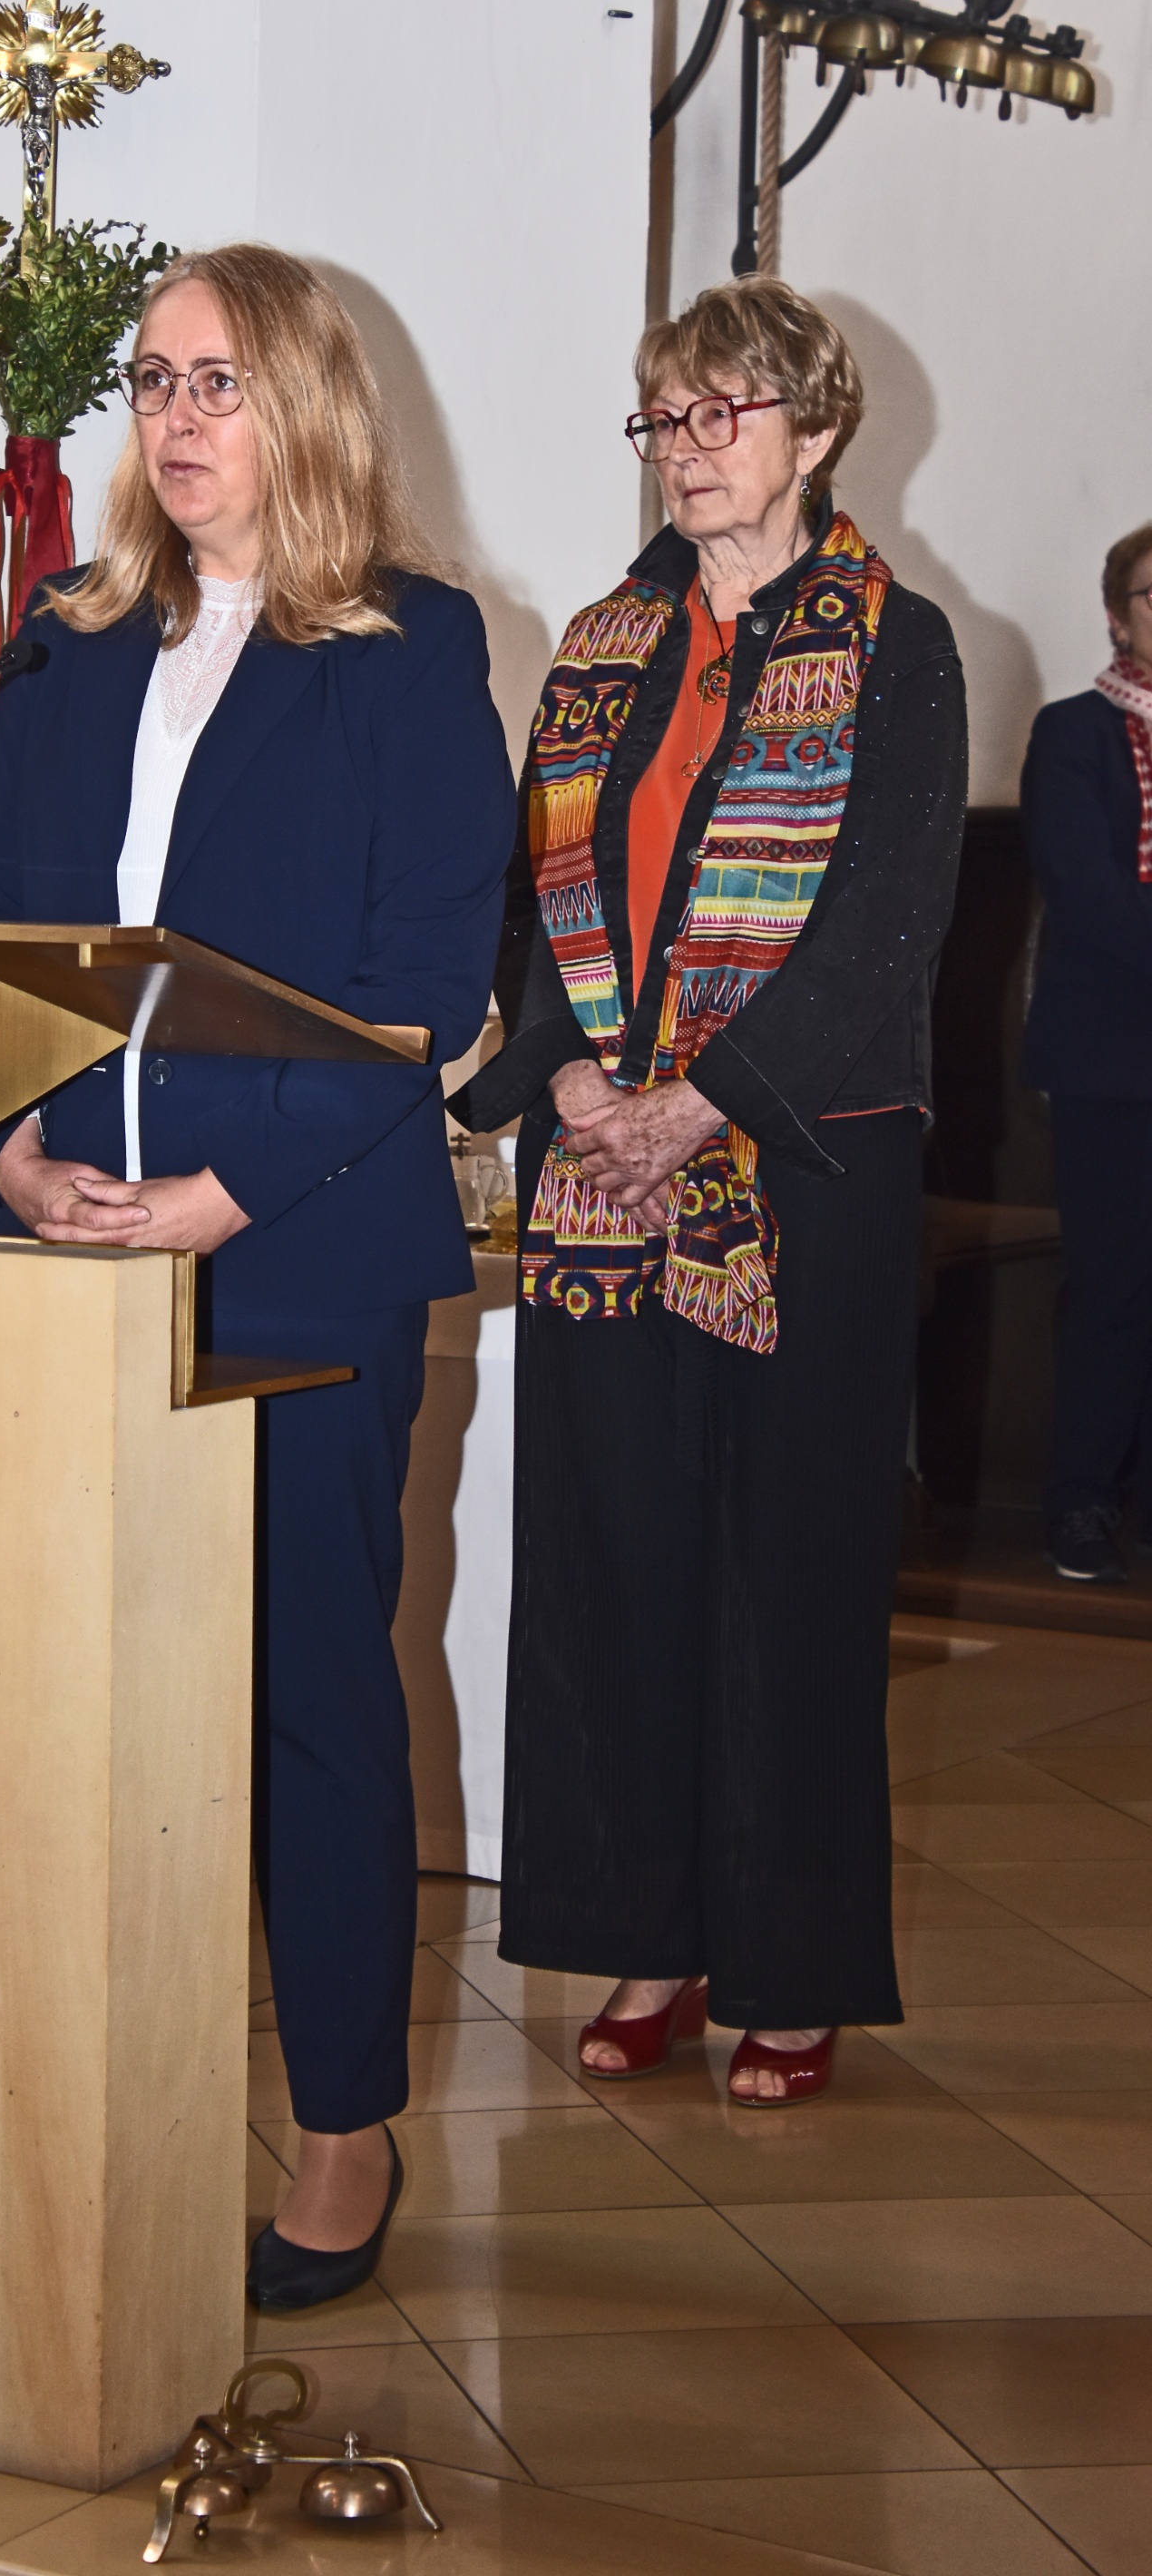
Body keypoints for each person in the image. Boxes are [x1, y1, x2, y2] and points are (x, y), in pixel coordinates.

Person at [0, 244, 514, 2296]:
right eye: (153, 381)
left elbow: (415, 995)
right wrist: (0, 1146)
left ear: (308, 408)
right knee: (77, 1697)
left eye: (221, 381)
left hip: (293, 1265)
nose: (176, 420)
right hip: (67, 1249)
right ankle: (89, 2088)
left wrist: (217, 1194)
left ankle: (339, 2126)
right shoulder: (74, 639)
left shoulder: (409, 647)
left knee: (303, 1704)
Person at [454, 277, 966, 2104]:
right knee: (614, 1559)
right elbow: (529, 898)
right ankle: (648, 1935)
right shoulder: (604, 640)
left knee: (790, 1570)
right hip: (598, 1166)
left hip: (802, 1173)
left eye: (720, 414)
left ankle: (790, 1963)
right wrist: (564, 1076)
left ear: (814, 431)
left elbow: (883, 929)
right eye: (663, 416)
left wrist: (708, 1100)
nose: (686, 449)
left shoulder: (895, 644)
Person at [1020, 522, 1152, 1583]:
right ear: (1118, 615)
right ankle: (1075, 1502)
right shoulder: (1072, 734)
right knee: (1112, 1286)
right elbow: (1087, 890)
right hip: (1110, 1057)